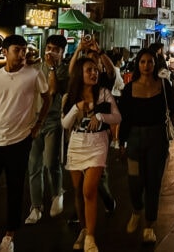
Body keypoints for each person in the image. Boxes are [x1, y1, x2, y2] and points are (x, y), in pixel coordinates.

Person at [0, 34, 51, 252]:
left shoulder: (33, 75)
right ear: (5, 52)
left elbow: (47, 98)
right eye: (17, 50)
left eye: (24, 49)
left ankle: (9, 236)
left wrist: (38, 125)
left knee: (15, 189)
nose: (22, 54)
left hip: (19, 140)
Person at [118, 47, 174, 244]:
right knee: (134, 180)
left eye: (150, 62)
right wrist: (120, 142)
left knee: (153, 183)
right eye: (142, 62)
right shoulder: (129, 89)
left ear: (155, 64)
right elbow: (124, 118)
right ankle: (136, 209)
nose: (146, 65)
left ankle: (149, 226)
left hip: (157, 138)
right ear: (137, 65)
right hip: (134, 139)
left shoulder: (163, 85)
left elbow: (173, 112)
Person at [61, 55, 121, 252]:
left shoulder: (103, 93)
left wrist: (100, 116)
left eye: (95, 70)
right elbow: (65, 124)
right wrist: (77, 108)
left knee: (89, 190)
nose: (94, 73)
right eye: (89, 70)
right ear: (80, 74)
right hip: (76, 144)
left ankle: (90, 238)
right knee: (78, 192)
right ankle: (84, 229)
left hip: (97, 144)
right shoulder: (70, 97)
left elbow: (117, 117)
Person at [25, 34, 69, 224]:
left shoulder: (63, 70)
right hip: (34, 120)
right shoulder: (35, 67)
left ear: (62, 52)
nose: (51, 52)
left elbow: (52, 90)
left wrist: (51, 68)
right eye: (49, 48)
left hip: (53, 120)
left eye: (56, 50)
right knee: (33, 165)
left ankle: (57, 193)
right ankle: (36, 207)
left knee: (51, 162)